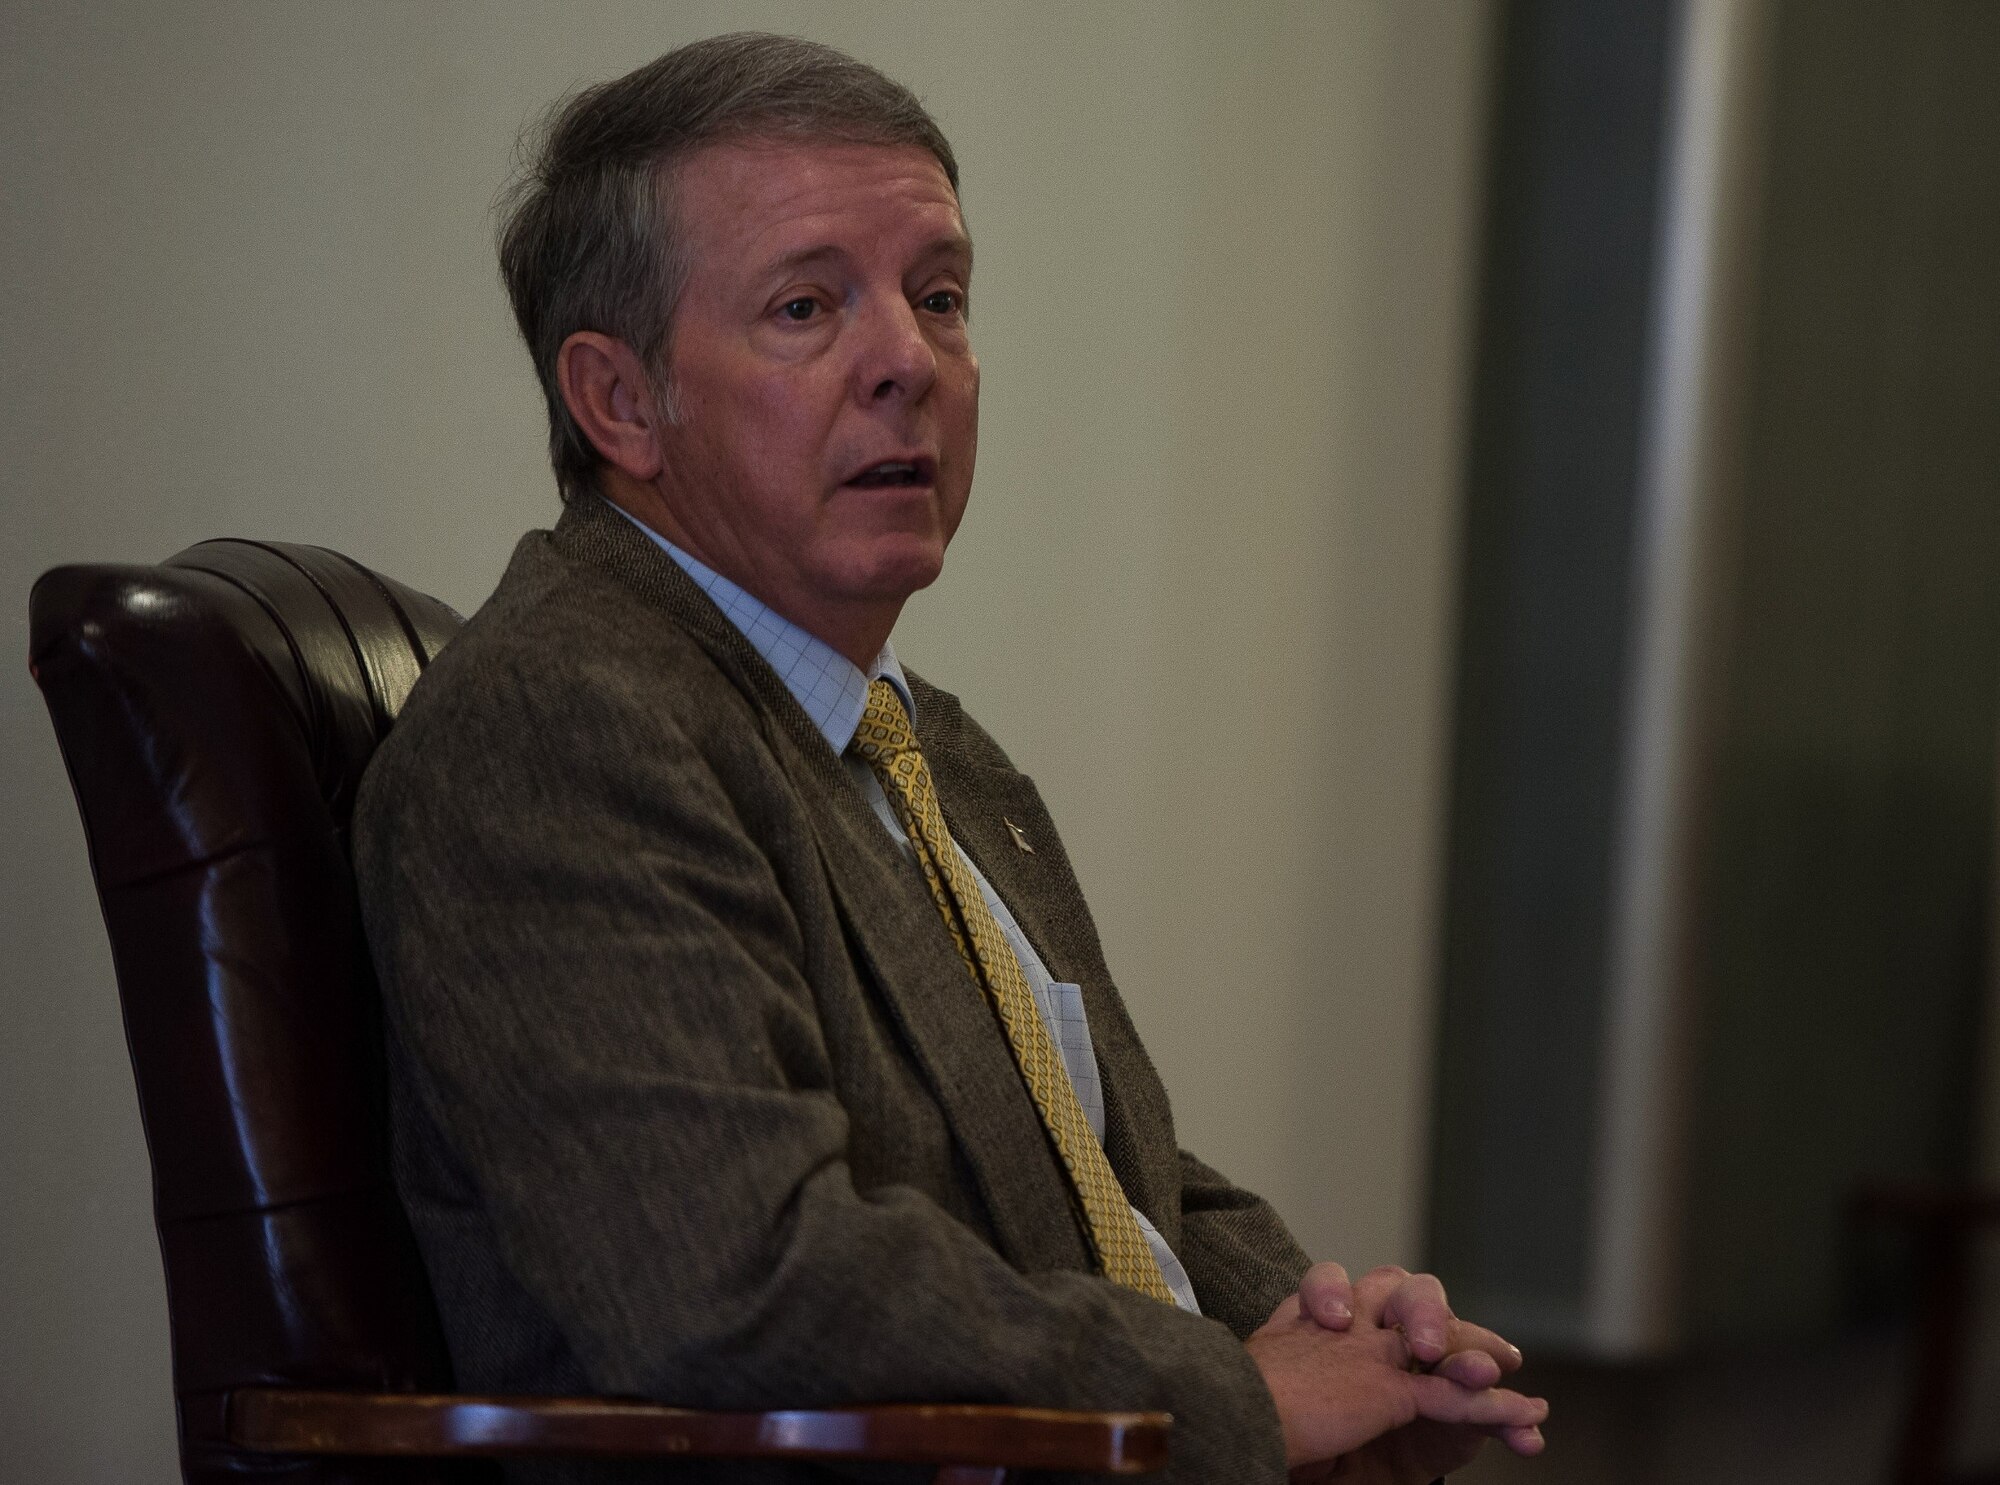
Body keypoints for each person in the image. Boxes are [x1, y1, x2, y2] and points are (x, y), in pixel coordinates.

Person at [354, 33, 1548, 1483]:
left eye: (940, 298)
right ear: (619, 401)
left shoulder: (918, 741)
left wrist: (1339, 1336)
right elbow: (737, 1281)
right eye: (807, 306)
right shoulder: (564, 725)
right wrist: (1236, 1397)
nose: (908, 364)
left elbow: (1117, 1178)